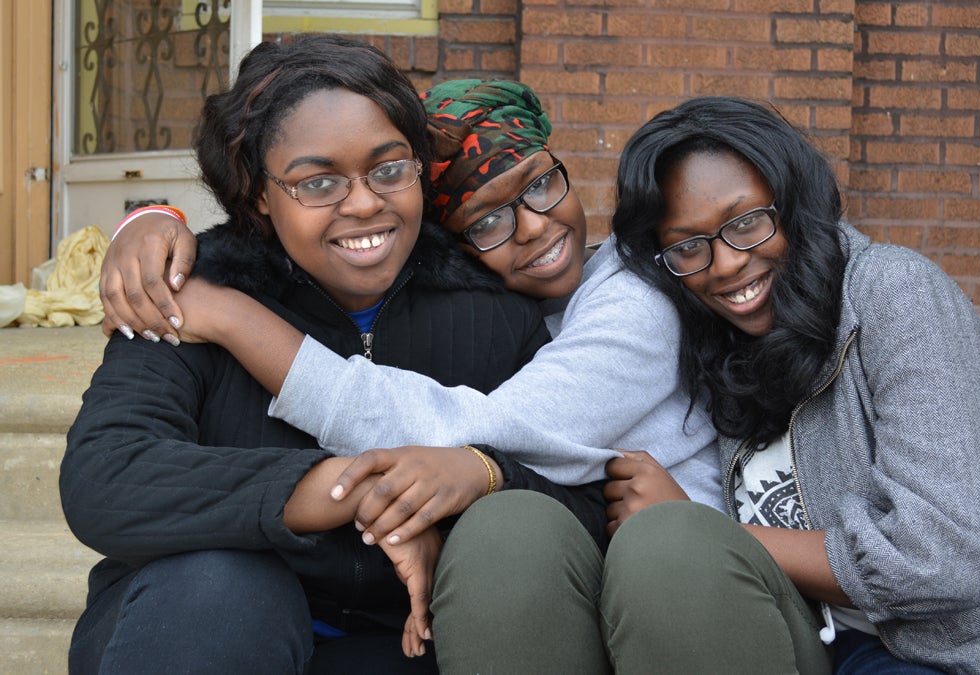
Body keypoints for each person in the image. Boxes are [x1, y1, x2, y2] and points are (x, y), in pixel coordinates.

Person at [61, 36, 606, 675]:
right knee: (227, 586)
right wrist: (337, 489)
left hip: (405, 637)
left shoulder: (491, 311)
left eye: (389, 168)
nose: (363, 202)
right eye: (318, 182)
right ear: (259, 193)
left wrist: (481, 474)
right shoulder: (192, 296)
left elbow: (581, 500)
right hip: (201, 627)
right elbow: (108, 477)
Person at [605, 95, 980, 674]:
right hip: (877, 649)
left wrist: (715, 535)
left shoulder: (892, 292)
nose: (725, 263)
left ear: (795, 204)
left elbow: (943, 558)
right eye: (688, 246)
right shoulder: (713, 346)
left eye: (747, 222)